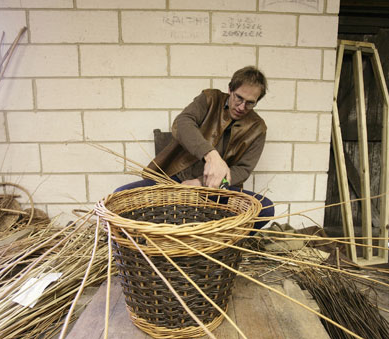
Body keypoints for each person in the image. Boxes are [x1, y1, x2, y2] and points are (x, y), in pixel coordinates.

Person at [116, 65, 274, 231]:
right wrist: (212, 156)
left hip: (215, 190)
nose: (242, 107)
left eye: (250, 103)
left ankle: (215, 243)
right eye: (239, 98)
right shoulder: (209, 99)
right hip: (174, 181)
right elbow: (182, 123)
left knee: (265, 209)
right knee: (119, 197)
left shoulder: (258, 128)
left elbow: (243, 170)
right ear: (230, 89)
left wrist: (201, 182)